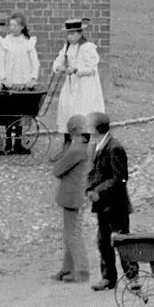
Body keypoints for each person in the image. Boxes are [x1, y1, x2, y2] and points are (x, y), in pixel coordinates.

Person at [85, 111, 137, 291]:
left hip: (116, 204)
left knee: (122, 241)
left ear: (96, 128)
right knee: (103, 242)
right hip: (102, 205)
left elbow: (120, 178)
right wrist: (89, 189)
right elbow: (91, 172)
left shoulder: (114, 147)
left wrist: (98, 190)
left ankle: (133, 277)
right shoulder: (96, 146)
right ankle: (108, 277)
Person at [49, 114, 92, 282]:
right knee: (71, 233)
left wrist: (65, 152)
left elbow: (57, 170)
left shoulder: (76, 150)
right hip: (80, 195)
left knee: (73, 235)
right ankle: (67, 269)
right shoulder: (89, 147)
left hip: (71, 196)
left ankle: (81, 271)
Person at [51, 18, 106, 133]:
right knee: (67, 108)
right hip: (71, 85)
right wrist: (60, 67)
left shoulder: (87, 47)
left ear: (80, 33)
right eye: (68, 34)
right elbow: (58, 61)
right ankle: (68, 140)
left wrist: (77, 70)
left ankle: (84, 140)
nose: (69, 37)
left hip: (85, 85)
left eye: (72, 34)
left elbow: (92, 69)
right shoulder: (67, 47)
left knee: (82, 110)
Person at [0, 15, 38, 153]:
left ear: (22, 27)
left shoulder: (28, 43)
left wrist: (33, 78)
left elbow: (35, 62)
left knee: (20, 113)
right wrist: (3, 78)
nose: (12, 28)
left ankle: (18, 144)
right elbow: (0, 62)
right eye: (10, 25)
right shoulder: (5, 42)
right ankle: (8, 144)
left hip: (23, 81)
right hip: (9, 81)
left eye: (15, 25)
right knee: (9, 113)